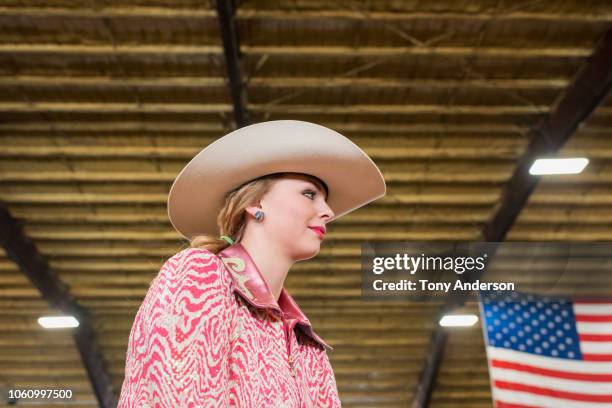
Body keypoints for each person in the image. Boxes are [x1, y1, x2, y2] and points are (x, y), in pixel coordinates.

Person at [117, 120, 386, 407]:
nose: (328, 211)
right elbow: (180, 397)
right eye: (309, 194)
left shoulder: (307, 345)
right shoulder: (199, 274)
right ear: (256, 204)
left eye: (325, 200)